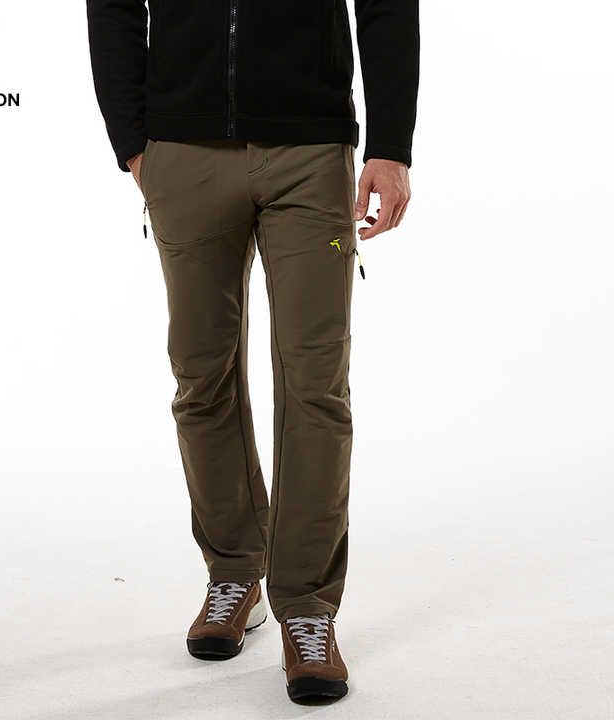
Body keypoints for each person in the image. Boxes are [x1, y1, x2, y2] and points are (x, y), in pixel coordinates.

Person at [86, 0, 419, 703]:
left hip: (310, 150)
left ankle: (307, 606)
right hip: (183, 151)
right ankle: (235, 572)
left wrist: (391, 145)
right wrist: (134, 142)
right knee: (201, 377)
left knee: (315, 384)